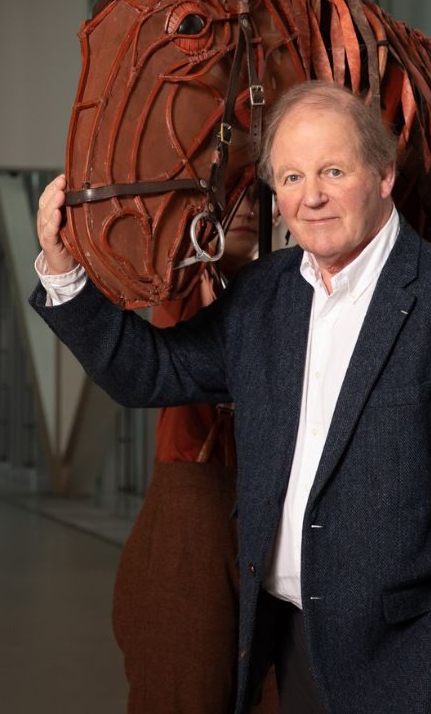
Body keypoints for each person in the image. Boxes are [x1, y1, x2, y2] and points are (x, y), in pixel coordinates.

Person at [32, 82, 431, 714]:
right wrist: (63, 268)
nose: (311, 197)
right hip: (287, 647)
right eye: (291, 177)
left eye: (334, 171)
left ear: (385, 174)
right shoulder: (264, 295)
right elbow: (152, 372)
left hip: (409, 665)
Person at [110, 187, 278, 714]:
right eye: (234, 196)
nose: (248, 208)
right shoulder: (183, 281)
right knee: (184, 686)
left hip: (266, 516)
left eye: (258, 197)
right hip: (194, 508)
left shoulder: (279, 291)